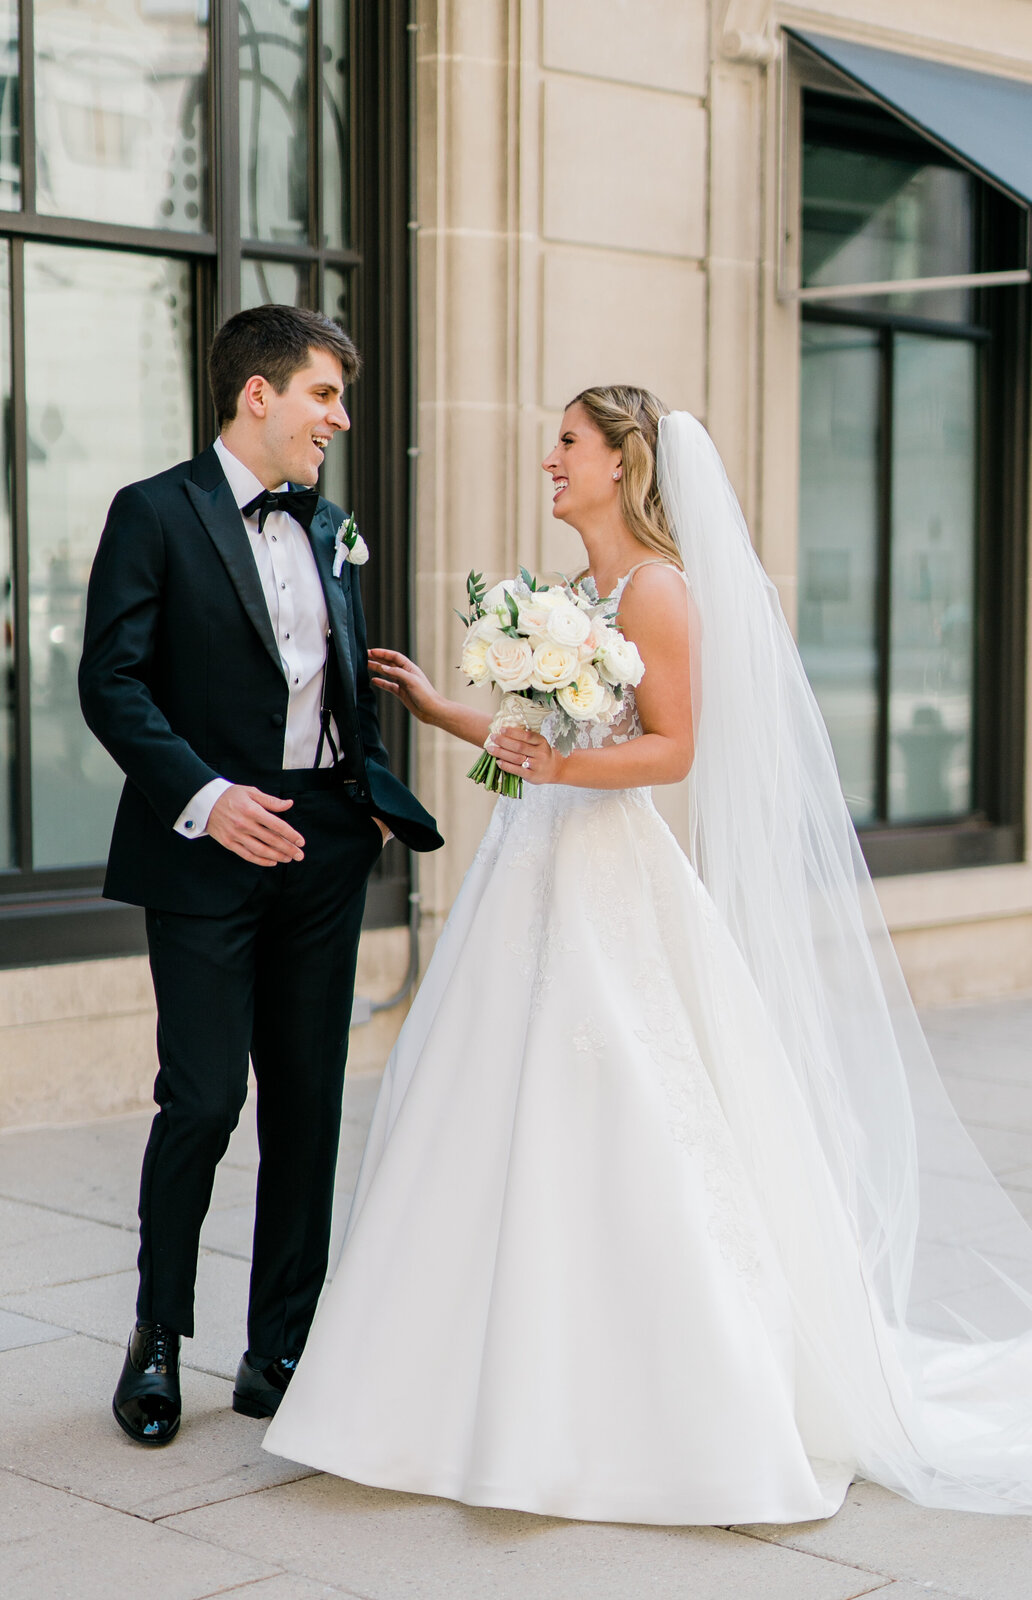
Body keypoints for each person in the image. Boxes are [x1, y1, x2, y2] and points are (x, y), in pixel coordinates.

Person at [263, 386, 1032, 1521]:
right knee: (486, 1098)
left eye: (567, 444)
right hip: (534, 858)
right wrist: (444, 709)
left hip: (605, 868)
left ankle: (648, 1392)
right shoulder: (573, 596)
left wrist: (553, 768)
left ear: (622, 461)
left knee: (621, 1095)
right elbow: (549, 732)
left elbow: (669, 750)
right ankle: (433, 1386)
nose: (549, 462)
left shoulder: (660, 589)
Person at [78, 304, 441, 1447]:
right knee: (202, 1099)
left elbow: (334, 686)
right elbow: (112, 683)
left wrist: (365, 797)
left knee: (306, 1098)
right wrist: (210, 799)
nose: (339, 418)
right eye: (326, 395)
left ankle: (280, 1347)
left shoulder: (331, 525)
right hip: (204, 850)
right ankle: (159, 1339)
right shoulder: (153, 513)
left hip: (323, 848)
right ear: (260, 396)